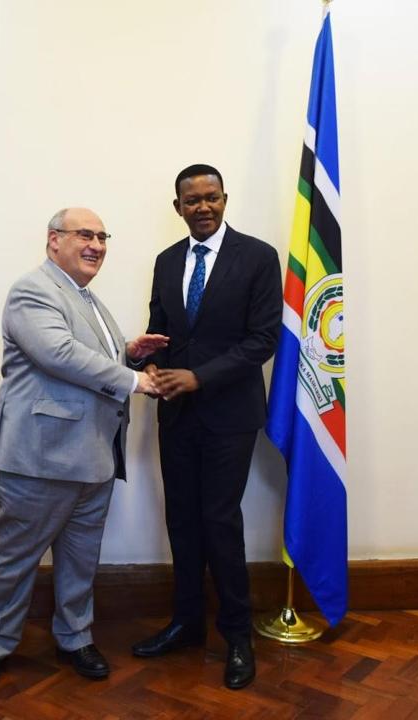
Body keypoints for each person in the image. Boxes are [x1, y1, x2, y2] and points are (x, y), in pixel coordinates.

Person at [0, 207, 169, 691]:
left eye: (102, 236)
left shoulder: (87, 298)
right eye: (85, 234)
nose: (96, 245)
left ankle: (75, 637)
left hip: (94, 457)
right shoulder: (33, 290)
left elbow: (84, 353)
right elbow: (58, 354)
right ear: (53, 240)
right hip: (38, 459)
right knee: (17, 558)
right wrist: (134, 380)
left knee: (81, 559)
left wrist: (126, 350)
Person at [131, 164, 283, 690]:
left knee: (220, 521)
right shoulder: (167, 260)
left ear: (224, 199)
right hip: (175, 412)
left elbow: (263, 339)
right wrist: (148, 362)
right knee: (181, 520)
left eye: (211, 197)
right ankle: (187, 622)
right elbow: (161, 330)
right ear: (178, 208)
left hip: (229, 415)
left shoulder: (258, 257)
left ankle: (238, 635)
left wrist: (200, 377)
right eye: (192, 200)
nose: (203, 207)